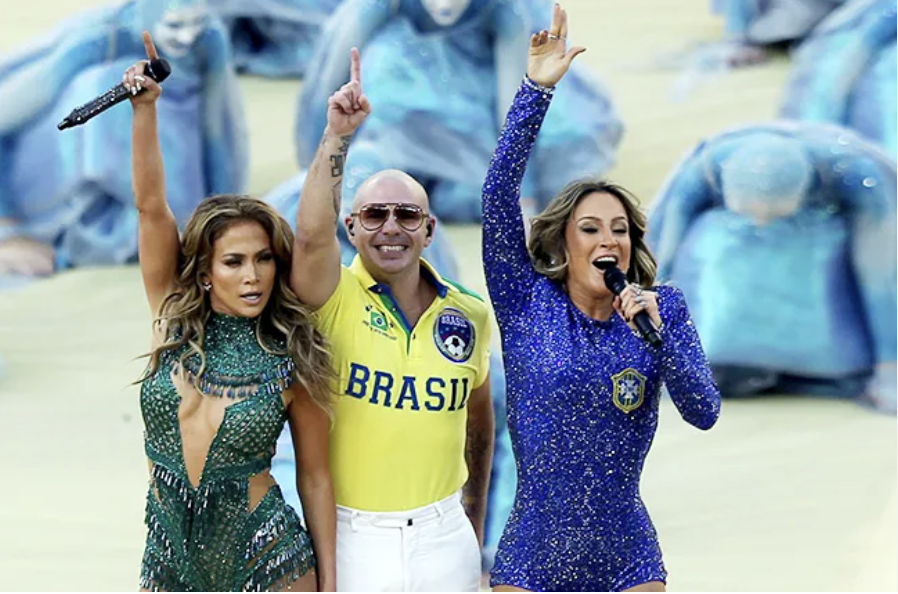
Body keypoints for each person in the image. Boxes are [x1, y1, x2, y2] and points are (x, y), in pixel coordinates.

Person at [481, 5, 722, 591]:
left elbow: (704, 412)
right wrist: (536, 90)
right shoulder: (525, 301)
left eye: (619, 229)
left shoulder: (663, 310)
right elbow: (497, 195)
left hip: (627, 558)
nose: (608, 240)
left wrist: (659, 339)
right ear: (563, 242)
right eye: (590, 228)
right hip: (532, 557)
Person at [127, 33, 335, 591]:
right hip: (169, 558)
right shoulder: (170, 318)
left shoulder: (292, 355)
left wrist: (331, 585)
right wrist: (145, 111)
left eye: (265, 259)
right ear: (204, 271)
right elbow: (150, 207)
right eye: (235, 261)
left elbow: (316, 478)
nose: (253, 276)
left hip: (267, 555)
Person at [290, 47, 495, 591]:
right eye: (374, 215)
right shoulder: (333, 296)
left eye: (406, 215)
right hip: (356, 534)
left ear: (428, 231)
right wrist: (338, 135)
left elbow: (479, 419)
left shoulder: (469, 313)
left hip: (444, 531)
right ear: (352, 229)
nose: (390, 228)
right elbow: (309, 237)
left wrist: (471, 520)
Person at [293, 0, 622, 223]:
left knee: (548, 151)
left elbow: (513, 100)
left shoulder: (505, 9)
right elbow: (330, 80)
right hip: (404, 92)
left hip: (474, 98)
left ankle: (436, 183)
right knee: (382, 78)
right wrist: (318, 163)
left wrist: (522, 195)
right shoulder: (379, 6)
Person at [647, 121, 897, 412]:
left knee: (869, 269)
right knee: (711, 246)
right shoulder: (705, 168)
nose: (761, 222)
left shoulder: (856, 174)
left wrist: (889, 365)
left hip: (818, 252)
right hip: (726, 277)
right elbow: (664, 250)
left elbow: (880, 274)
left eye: (773, 214)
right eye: (748, 212)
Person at [0, 0, 246, 287]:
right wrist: (8, 232)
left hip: (167, 167)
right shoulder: (105, 40)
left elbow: (215, 130)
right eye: (176, 26)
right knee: (107, 89)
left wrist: (223, 217)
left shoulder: (208, 39)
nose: (187, 37)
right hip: (50, 173)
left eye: (196, 23)